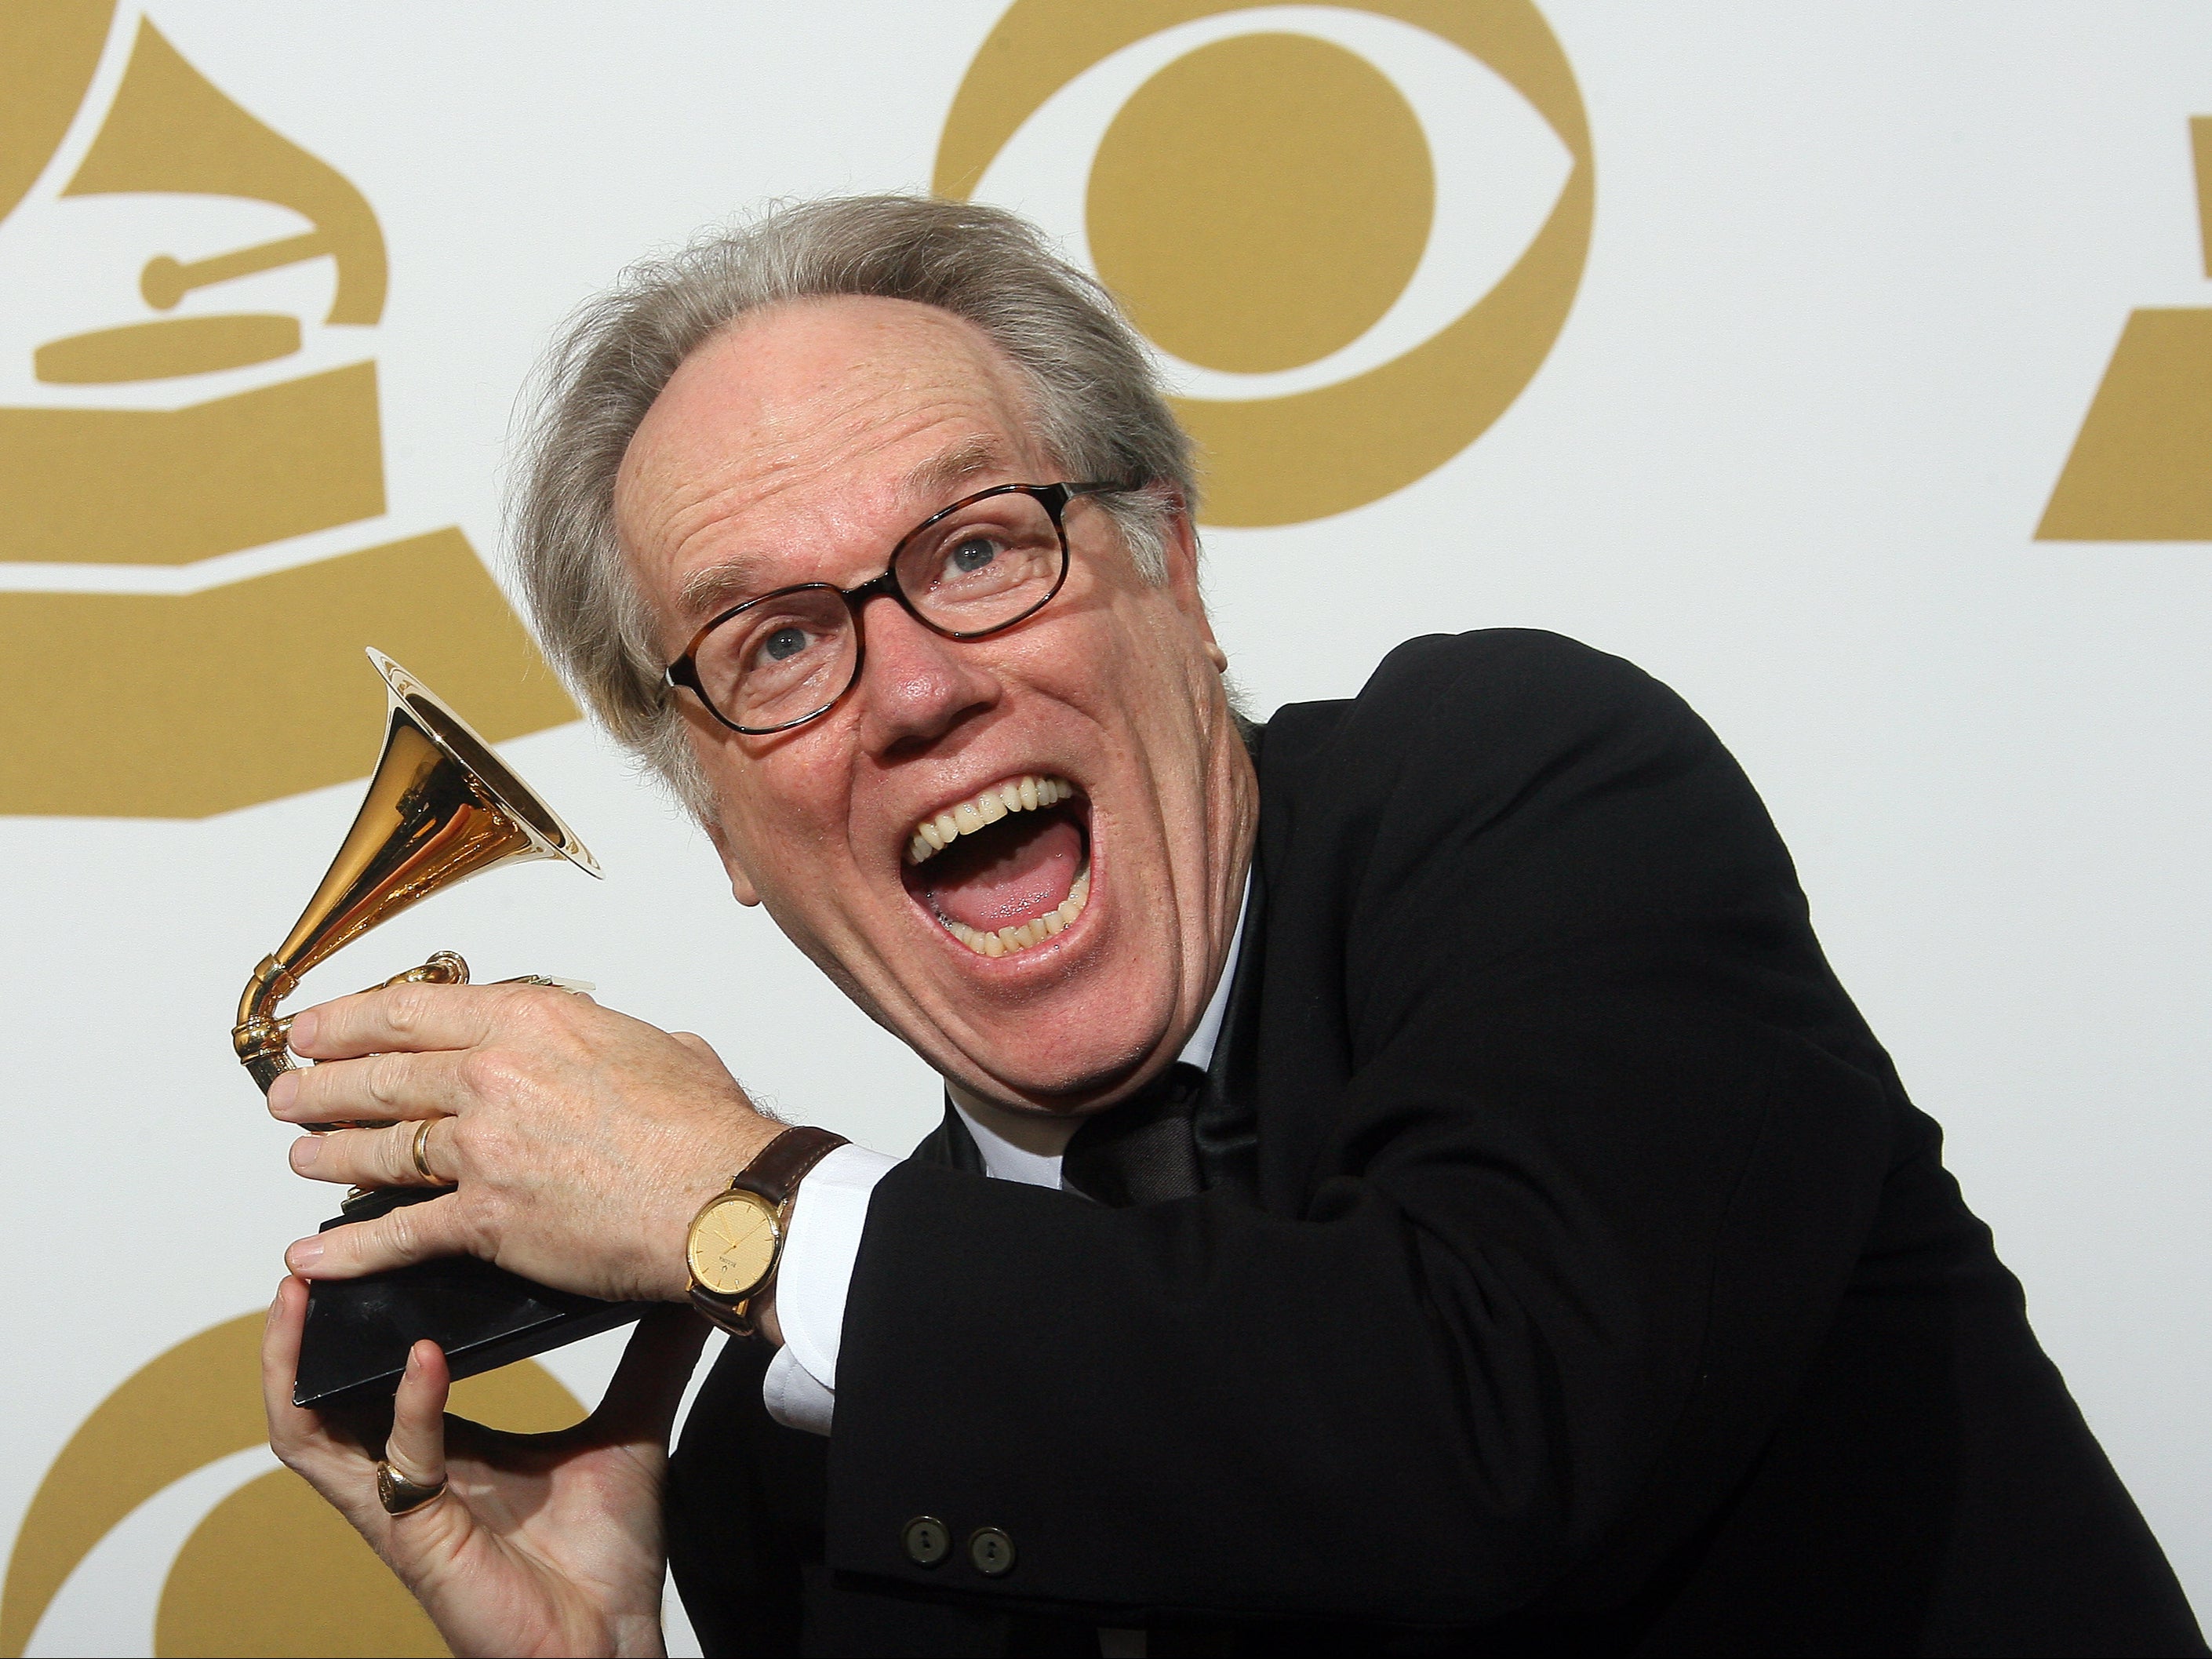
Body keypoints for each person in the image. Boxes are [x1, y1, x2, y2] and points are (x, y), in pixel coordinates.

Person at [260, 195, 2203, 1657]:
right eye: (775, 641)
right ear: (726, 829)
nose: (914, 687)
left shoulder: (1534, 789)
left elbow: (1488, 1438)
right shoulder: (790, 1443)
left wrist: (753, 1206)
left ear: (1176, 573)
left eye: (977, 548)